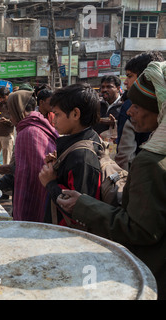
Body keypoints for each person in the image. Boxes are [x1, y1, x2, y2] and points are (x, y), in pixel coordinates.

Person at [57, 61, 166, 299]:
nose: (129, 112)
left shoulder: (151, 161)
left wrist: (82, 205)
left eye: (136, 106)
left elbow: (140, 229)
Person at [38, 84, 102, 227]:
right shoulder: (90, 137)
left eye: (58, 114)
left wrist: (50, 183)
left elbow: (78, 210)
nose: (53, 120)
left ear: (75, 114)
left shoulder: (81, 156)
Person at [7, 89, 58, 222]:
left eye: (11, 113)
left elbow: (35, 172)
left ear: (19, 110)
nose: (10, 118)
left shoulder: (28, 132)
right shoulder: (39, 121)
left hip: (35, 202)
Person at [115, 51, 163, 170]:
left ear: (146, 76)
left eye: (130, 76)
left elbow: (125, 158)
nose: (125, 82)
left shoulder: (129, 106)